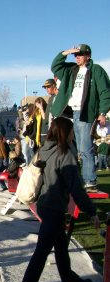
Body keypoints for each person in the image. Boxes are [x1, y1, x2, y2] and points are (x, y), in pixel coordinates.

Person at [18, 117, 100, 282]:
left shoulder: (45, 149)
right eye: (71, 130)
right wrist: (91, 211)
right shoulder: (65, 153)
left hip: (44, 204)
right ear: (65, 132)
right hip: (54, 207)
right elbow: (76, 188)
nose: (73, 134)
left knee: (61, 248)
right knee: (42, 252)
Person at [50, 44, 110, 192]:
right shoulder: (71, 69)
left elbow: (105, 92)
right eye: (75, 55)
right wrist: (66, 52)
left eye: (80, 54)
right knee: (70, 148)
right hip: (70, 113)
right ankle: (74, 179)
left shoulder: (96, 70)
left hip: (85, 114)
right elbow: (55, 66)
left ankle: (90, 181)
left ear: (88, 56)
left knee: (85, 148)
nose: (77, 57)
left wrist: (102, 112)